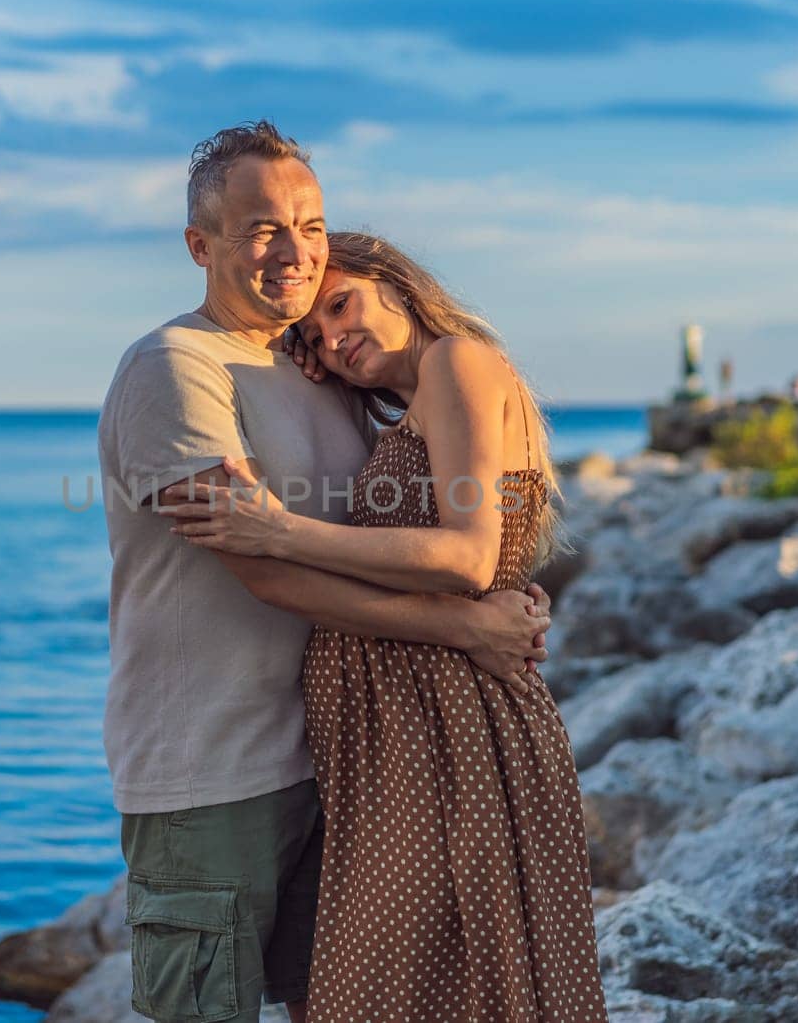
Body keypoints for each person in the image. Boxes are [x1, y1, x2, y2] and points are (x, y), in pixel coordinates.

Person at [97, 121, 554, 1023]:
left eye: (310, 224)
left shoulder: (326, 378)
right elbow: (262, 569)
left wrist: (504, 581)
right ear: (202, 245)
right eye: (264, 227)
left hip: (340, 767)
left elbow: (415, 528)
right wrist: (470, 624)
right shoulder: (174, 368)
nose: (296, 250)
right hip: (212, 772)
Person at [159, 231, 610, 1021]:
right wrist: (317, 370)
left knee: (400, 989)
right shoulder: (404, 408)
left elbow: (469, 555)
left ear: (397, 283)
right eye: (316, 340)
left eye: (342, 305)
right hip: (406, 732)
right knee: (424, 986)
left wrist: (277, 530)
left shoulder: (457, 362)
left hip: (445, 728)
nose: (334, 340)